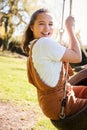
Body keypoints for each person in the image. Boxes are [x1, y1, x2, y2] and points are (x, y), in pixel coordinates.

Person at [23, 8, 87, 120]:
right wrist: (70, 29)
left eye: (51, 24)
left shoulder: (35, 46)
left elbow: (70, 54)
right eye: (41, 24)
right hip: (61, 104)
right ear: (32, 27)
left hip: (51, 102)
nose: (47, 28)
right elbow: (77, 57)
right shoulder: (44, 43)